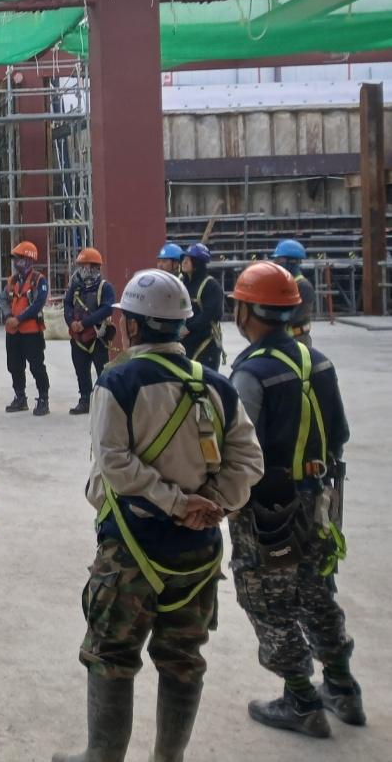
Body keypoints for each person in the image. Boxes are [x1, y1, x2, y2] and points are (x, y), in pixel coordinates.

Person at [54, 269, 263, 762]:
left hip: (132, 549)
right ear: (181, 325)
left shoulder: (118, 381)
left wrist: (175, 503)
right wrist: (210, 504)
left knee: (111, 654)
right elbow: (249, 462)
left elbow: (114, 463)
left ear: (131, 325)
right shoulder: (216, 386)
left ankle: (102, 756)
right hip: (197, 553)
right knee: (183, 659)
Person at [226, 261, 360, 738]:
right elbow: (339, 433)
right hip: (321, 498)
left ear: (247, 312)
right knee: (316, 588)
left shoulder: (251, 374)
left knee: (268, 598)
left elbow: (238, 449)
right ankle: (342, 686)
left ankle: (301, 700)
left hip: (270, 508)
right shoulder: (317, 361)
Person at [64, 248, 117, 417]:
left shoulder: (105, 288)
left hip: (97, 338)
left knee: (102, 371)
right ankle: (85, 399)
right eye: (80, 266)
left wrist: (84, 323)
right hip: (78, 338)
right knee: (81, 371)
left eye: (85, 266)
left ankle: (105, 401)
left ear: (95, 267)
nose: (82, 270)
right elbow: (67, 304)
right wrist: (71, 322)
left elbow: (107, 309)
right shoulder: (76, 287)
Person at [2, 241, 49, 416]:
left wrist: (19, 319)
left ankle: (43, 399)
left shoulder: (39, 280)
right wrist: (8, 316)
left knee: (37, 366)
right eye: (15, 259)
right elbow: (3, 299)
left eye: (19, 258)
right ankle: (20, 397)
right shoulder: (12, 280)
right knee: (14, 366)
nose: (16, 262)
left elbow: (38, 303)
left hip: (31, 332)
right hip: (13, 332)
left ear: (29, 259)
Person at [180, 243, 225, 371]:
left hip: (205, 343)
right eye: (184, 259)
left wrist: (188, 328)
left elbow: (208, 316)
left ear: (197, 263)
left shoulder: (211, 286)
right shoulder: (181, 282)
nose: (184, 262)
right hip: (184, 342)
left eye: (188, 259)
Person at [271, 239, 316, 339]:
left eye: (279, 259)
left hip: (298, 340)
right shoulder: (284, 284)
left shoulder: (304, 287)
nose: (276, 263)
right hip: (282, 339)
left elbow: (292, 318)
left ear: (292, 261)